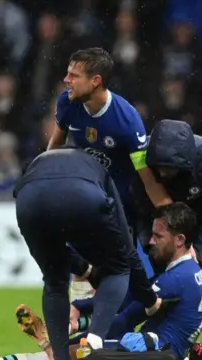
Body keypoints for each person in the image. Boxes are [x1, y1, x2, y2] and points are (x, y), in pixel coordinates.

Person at [0, 147, 161, 360]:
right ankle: (94, 341)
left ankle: (59, 356)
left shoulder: (36, 168)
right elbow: (128, 253)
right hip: (82, 195)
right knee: (119, 269)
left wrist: (86, 270)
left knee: (54, 283)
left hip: (29, 200)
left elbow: (56, 253)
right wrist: (150, 300)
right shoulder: (98, 169)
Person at [0, 202, 202, 360]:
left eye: (158, 236)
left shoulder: (176, 279)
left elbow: (123, 319)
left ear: (179, 240)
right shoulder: (185, 271)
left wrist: (66, 343)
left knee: (79, 352)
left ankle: (47, 350)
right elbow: (130, 298)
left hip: (154, 353)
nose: (151, 242)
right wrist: (81, 307)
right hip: (157, 351)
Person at [46, 47, 173, 300]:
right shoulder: (67, 103)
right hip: (83, 196)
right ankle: (78, 329)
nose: (66, 80)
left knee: (118, 271)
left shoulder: (127, 121)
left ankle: (121, 326)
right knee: (79, 268)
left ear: (96, 81)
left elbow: (148, 180)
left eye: (74, 75)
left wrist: (171, 215)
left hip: (121, 205)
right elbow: (55, 146)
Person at [145, 119, 202, 341]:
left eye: (169, 168)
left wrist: (199, 256)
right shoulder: (143, 162)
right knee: (162, 290)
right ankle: (161, 348)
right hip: (161, 229)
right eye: (159, 167)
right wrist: (152, 242)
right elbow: (138, 210)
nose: (163, 174)